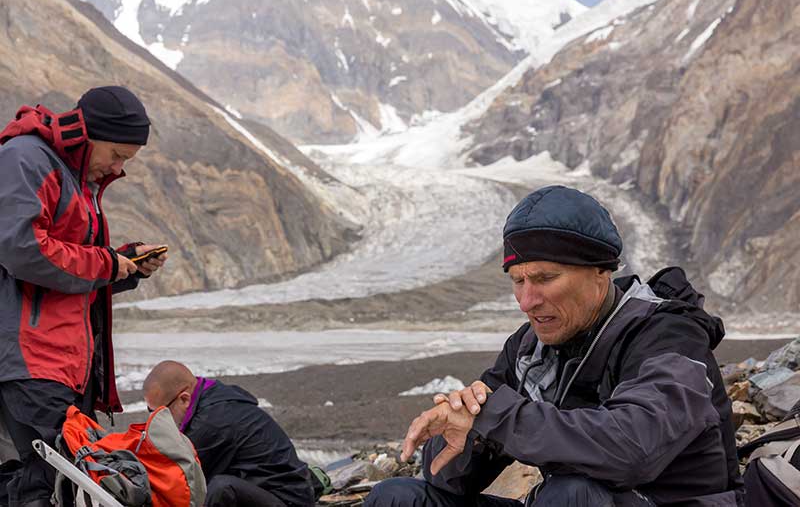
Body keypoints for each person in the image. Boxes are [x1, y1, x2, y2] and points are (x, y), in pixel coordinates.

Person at [365, 185, 742, 506]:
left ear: (600, 271)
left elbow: (632, 450)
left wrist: (498, 416)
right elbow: (449, 480)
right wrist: (466, 432)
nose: (527, 301)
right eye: (518, 281)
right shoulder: (529, 347)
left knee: (571, 493)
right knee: (398, 498)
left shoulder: (668, 334)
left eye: (545, 278)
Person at [0, 86, 168, 507]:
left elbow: (67, 271)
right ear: (89, 135)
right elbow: (22, 249)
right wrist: (106, 264)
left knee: (59, 482)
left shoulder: (74, 177)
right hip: (30, 357)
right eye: (116, 154)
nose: (119, 167)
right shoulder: (29, 158)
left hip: (59, 360)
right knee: (54, 482)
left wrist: (123, 267)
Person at [143, 361, 316, 507]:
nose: (156, 418)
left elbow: (183, 478)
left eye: (160, 411)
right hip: (263, 490)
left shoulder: (212, 422)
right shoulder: (211, 395)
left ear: (184, 399)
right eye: (151, 411)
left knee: (221, 488)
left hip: (289, 501)